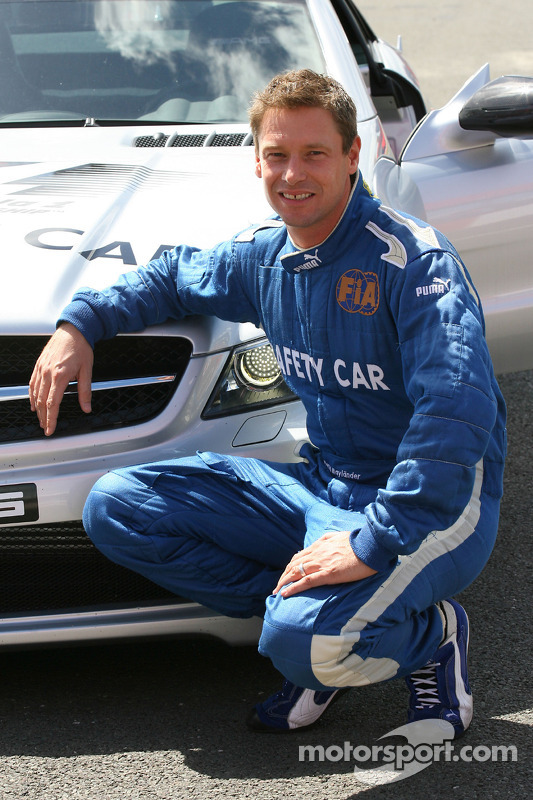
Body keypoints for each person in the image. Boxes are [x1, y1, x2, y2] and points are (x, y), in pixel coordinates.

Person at [30, 69, 506, 737]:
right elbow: (170, 276)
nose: (292, 173)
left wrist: (374, 542)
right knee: (119, 507)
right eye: (277, 154)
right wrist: (79, 325)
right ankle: (323, 618)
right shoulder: (264, 257)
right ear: (256, 160)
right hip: (325, 484)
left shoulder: (416, 263)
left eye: (314, 153)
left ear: (352, 156)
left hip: (432, 506)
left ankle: (428, 638)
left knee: (304, 644)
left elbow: (453, 416)